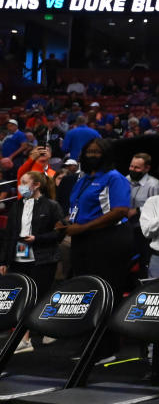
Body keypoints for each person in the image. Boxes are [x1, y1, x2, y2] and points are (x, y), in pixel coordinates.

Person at [56, 139, 133, 317]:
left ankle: (107, 337)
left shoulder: (114, 177)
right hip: (83, 240)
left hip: (108, 238)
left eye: (97, 152)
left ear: (105, 154)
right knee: (86, 287)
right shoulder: (82, 180)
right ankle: (89, 333)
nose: (92, 155)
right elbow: (78, 209)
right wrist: (65, 222)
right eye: (89, 152)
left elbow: (120, 211)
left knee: (107, 290)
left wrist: (82, 228)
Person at [0, 170, 64, 351]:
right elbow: (10, 234)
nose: (20, 185)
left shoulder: (51, 206)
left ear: (36, 185)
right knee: (22, 294)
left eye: (24, 182)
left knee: (41, 293)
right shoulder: (18, 205)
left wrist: (38, 239)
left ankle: (48, 329)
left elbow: (60, 232)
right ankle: (24, 338)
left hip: (43, 255)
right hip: (20, 253)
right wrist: (3, 261)